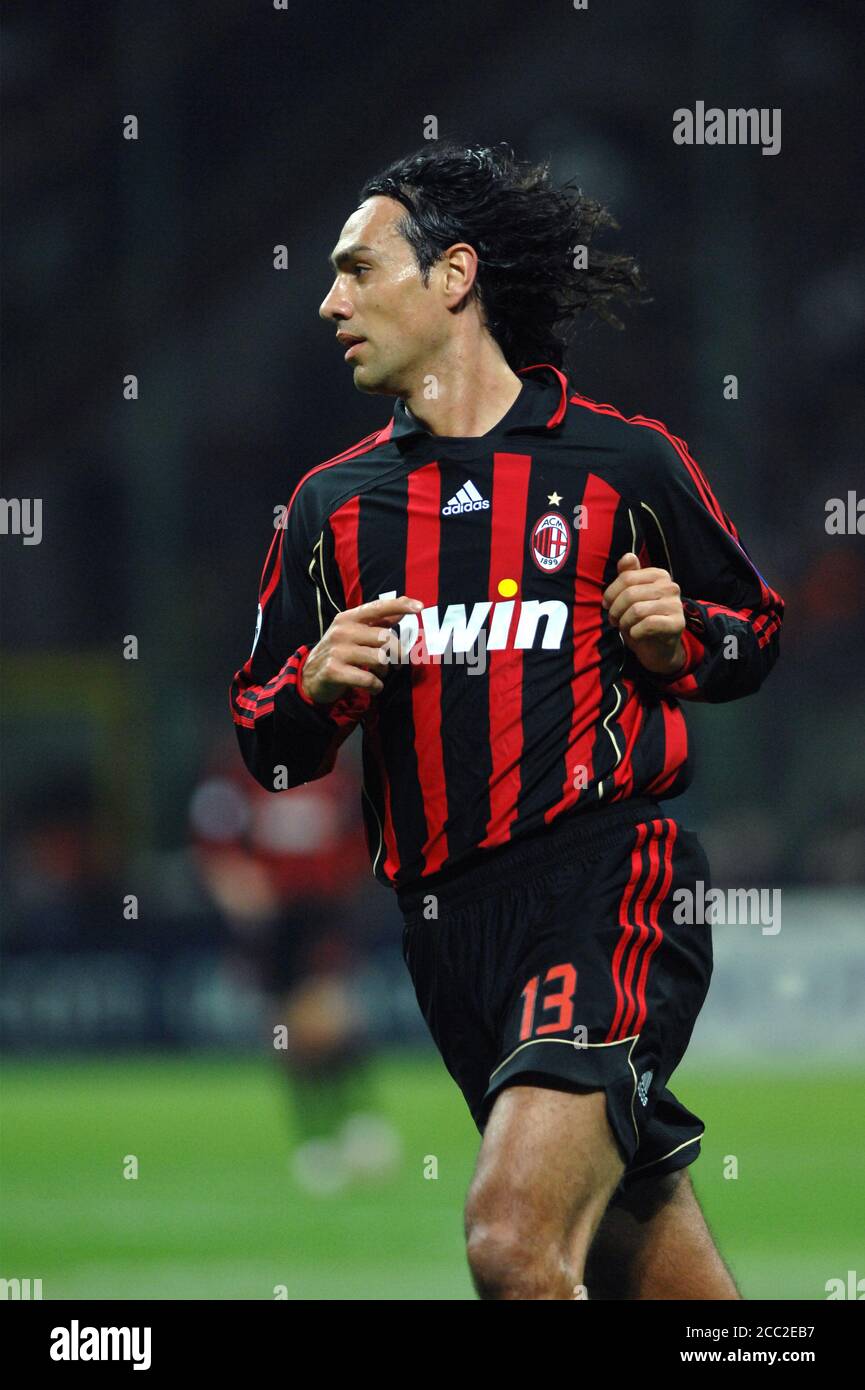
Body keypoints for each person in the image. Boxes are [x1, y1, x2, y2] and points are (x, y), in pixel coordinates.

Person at [230, 142, 784, 1299]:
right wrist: (311, 693)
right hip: (446, 932)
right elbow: (266, 741)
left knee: (511, 1246)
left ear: (454, 276)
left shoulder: (624, 464)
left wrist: (685, 636)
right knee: (656, 1274)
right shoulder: (330, 508)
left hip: (604, 882)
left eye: (355, 268)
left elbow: (755, 634)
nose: (328, 299)